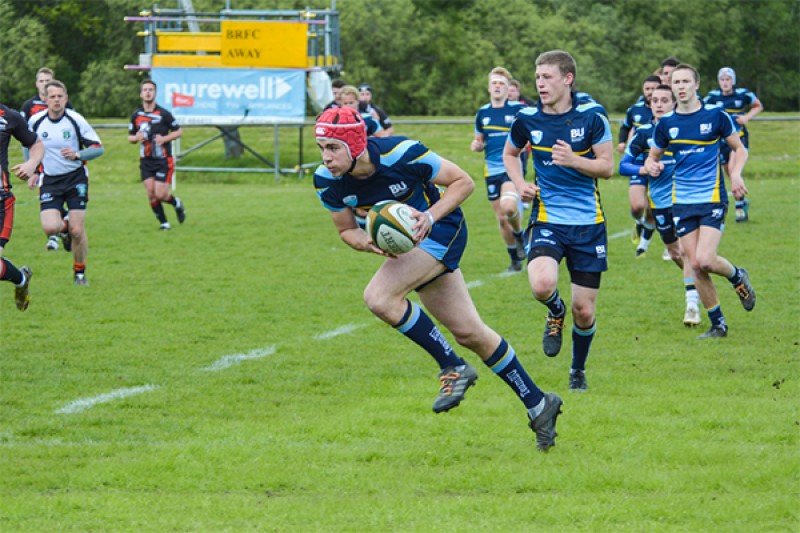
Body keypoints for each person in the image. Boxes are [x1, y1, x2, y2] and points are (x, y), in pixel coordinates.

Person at [313, 106, 563, 451]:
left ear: (355, 146)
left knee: (380, 297)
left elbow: (464, 181)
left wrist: (429, 217)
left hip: (443, 228)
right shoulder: (326, 180)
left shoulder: (401, 152)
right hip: (411, 244)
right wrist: (368, 243)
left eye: (333, 148)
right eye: (321, 148)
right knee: (470, 332)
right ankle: (539, 404)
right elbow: (345, 230)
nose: (326, 157)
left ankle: (452, 367)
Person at [503, 50, 614, 392]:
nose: (540, 84)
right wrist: (520, 183)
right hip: (548, 219)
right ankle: (554, 311)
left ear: (567, 79)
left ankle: (577, 369)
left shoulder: (593, 116)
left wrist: (575, 160)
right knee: (541, 285)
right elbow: (510, 153)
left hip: (588, 224)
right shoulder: (526, 118)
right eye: (537, 78)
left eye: (547, 77)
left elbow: (607, 167)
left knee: (584, 311)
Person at [644, 64, 755, 339]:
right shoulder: (667, 123)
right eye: (676, 82)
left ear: (696, 85)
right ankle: (718, 324)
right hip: (681, 201)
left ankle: (737, 276)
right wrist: (651, 165)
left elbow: (739, 149)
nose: (680, 86)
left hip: (711, 198)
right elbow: (652, 156)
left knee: (705, 259)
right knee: (693, 264)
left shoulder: (716, 116)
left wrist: (736, 175)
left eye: (685, 81)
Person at [619, 84, 701, 326]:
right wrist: (644, 168)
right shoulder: (644, 133)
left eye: (665, 100)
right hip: (661, 204)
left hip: (686, 200)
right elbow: (623, 166)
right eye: (655, 100)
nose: (659, 104)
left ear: (673, 103)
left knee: (688, 253)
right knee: (676, 253)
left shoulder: (685, 129)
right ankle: (697, 283)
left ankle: (692, 306)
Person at [27, 80, 104, 286]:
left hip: (75, 178)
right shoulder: (36, 121)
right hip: (50, 180)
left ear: (66, 98)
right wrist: (33, 168)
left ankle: (79, 273)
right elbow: (29, 145)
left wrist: (78, 154)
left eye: (60, 96)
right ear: (45, 99)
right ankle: (65, 231)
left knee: (78, 231)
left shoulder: (75, 120)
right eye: (52, 96)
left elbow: (98, 148)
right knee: (50, 228)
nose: (56, 100)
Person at [471, 66, 527, 272]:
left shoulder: (517, 110)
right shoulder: (482, 113)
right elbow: (478, 140)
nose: (497, 86)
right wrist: (476, 145)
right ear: (488, 88)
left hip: (511, 168)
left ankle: (520, 234)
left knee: (509, 206)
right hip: (491, 170)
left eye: (501, 84)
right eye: (494, 83)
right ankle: (515, 259)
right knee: (502, 220)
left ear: (507, 88)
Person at [21, 67, 73, 251]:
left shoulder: (62, 103)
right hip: (40, 160)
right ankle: (55, 236)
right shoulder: (29, 107)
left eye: (47, 81)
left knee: (57, 199)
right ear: (36, 84)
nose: (44, 84)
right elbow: (24, 138)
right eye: (41, 81)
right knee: (46, 198)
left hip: (61, 160)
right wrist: (31, 166)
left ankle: (64, 227)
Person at [703, 67, 763, 222]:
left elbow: (758, 105)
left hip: (738, 138)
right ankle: (742, 202)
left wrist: (746, 117)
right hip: (722, 140)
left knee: (733, 169)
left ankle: (739, 209)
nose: (725, 82)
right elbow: (701, 110)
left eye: (728, 79)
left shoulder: (743, 94)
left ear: (733, 81)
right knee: (730, 173)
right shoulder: (712, 97)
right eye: (722, 79)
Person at [1, 103, 44, 310]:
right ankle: (20, 279)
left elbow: (36, 144)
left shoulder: (9, 117)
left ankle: (20, 279)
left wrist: (31, 164)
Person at [128, 79, 186, 231]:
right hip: (146, 161)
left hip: (162, 160)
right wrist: (136, 138)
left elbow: (179, 131)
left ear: (155, 93)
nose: (148, 92)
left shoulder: (164, 114)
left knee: (160, 194)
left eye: (151, 90)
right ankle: (164, 223)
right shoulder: (136, 115)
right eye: (145, 90)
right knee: (151, 194)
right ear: (141, 94)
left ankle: (176, 203)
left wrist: (164, 139)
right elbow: (130, 137)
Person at [620, 75, 663, 256]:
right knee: (638, 206)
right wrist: (623, 142)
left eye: (655, 89)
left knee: (654, 208)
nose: (651, 92)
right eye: (648, 89)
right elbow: (624, 127)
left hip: (660, 167)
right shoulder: (635, 111)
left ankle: (643, 245)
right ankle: (639, 222)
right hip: (639, 162)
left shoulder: (668, 113)